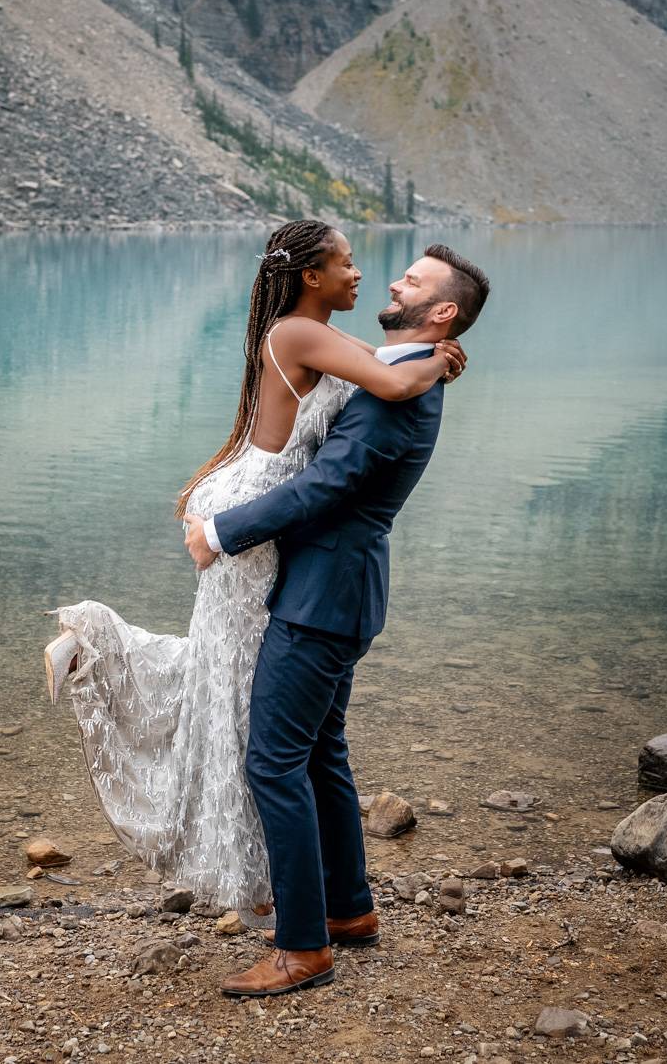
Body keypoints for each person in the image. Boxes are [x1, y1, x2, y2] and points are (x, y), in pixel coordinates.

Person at [43, 220, 467, 926]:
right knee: (236, 688)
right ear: (309, 276)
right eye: (347, 262)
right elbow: (392, 381)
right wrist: (440, 361)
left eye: (372, 267)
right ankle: (94, 643)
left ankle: (317, 910)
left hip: (261, 515)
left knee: (237, 685)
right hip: (250, 514)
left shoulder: (318, 336)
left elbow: (387, 368)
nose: (364, 275)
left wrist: (431, 357)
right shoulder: (298, 334)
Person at [183, 241, 491, 996]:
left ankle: (301, 947)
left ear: (442, 310)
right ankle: (349, 910)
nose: (392, 279)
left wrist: (219, 534)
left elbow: (324, 485)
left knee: (273, 761)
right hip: (340, 591)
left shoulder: (401, 391)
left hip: (323, 598)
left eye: (412, 280)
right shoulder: (405, 370)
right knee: (320, 751)